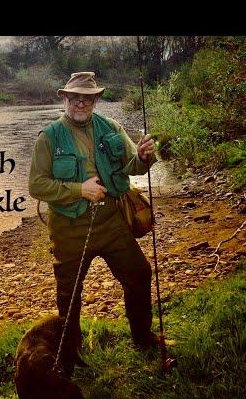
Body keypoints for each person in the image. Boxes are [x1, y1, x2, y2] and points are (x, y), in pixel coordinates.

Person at [28, 71, 159, 366]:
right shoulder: (48, 138)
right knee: (70, 296)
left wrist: (144, 156)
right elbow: (36, 185)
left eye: (87, 99)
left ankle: (143, 338)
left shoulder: (112, 127)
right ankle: (71, 356)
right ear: (65, 98)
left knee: (139, 274)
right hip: (68, 228)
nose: (80, 104)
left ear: (96, 100)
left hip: (111, 221)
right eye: (74, 98)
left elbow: (134, 167)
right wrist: (79, 189)